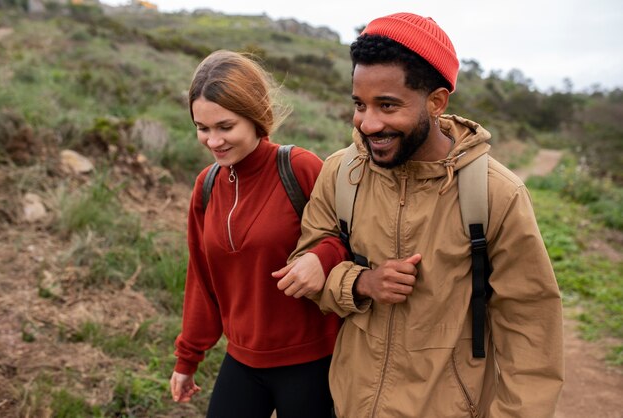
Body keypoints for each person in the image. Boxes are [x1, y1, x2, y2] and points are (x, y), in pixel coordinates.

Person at [282, 12, 565, 418]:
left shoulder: (495, 193)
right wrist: (360, 282)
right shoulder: (340, 173)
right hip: (350, 405)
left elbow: (531, 329)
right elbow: (307, 269)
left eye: (388, 105)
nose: (369, 123)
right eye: (359, 104)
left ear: (436, 101)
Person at [169, 50, 348, 418]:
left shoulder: (299, 168)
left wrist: (322, 257)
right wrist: (188, 357)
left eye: (225, 127)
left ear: (255, 117)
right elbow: (202, 279)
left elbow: (350, 239)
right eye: (203, 128)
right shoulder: (207, 185)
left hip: (312, 359)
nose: (213, 141)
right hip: (242, 359)